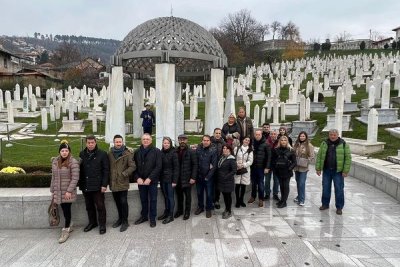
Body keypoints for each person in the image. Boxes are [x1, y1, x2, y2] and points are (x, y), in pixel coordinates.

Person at [315, 129, 351, 215]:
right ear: (329, 135)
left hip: (338, 171)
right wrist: (318, 168)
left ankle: (339, 207)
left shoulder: (343, 144)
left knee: (339, 189)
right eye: (331, 134)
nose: (332, 136)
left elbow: (348, 158)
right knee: (326, 188)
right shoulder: (324, 143)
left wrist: (345, 171)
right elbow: (319, 156)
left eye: (334, 135)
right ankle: (325, 204)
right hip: (327, 170)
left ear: (338, 135)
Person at [79, 135, 110, 235]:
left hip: (98, 185)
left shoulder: (102, 154)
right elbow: (80, 170)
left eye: (92, 143)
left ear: (95, 142)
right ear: (86, 143)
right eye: (89, 143)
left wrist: (104, 184)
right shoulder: (82, 154)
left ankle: (102, 225)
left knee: (100, 206)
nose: (91, 144)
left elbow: (106, 171)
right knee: (89, 206)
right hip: (86, 185)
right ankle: (92, 223)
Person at [50, 140, 79, 243]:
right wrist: (52, 189)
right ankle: (69, 225)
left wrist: (69, 191)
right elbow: (53, 177)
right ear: (59, 152)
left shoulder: (73, 162)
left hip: (67, 192)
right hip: (58, 191)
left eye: (66, 150)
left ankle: (66, 230)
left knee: (67, 210)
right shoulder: (55, 161)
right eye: (62, 150)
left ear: (69, 151)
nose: (64, 152)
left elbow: (75, 178)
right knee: (63, 209)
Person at [108, 134, 136, 232]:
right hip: (113, 182)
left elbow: (132, 166)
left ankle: (125, 221)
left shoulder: (127, 153)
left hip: (123, 181)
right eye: (117, 142)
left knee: (123, 202)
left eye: (120, 142)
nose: (118, 143)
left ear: (122, 142)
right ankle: (120, 219)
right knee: (117, 202)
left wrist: (124, 174)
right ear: (114, 142)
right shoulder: (110, 153)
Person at [133, 133, 162, 227]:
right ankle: (144, 216)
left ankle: (152, 218)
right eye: (144, 139)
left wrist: (150, 178)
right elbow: (134, 167)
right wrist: (137, 178)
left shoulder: (156, 151)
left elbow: (158, 166)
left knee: (153, 200)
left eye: (147, 139)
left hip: (152, 181)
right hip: (141, 181)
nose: (145, 140)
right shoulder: (137, 151)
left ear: (151, 140)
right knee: (143, 199)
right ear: (141, 140)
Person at [175, 134, 197, 220]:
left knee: (188, 197)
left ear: (187, 140)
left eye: (184, 139)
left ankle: (187, 212)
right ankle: (180, 210)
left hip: (188, 179)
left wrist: (193, 177)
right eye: (180, 140)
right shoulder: (175, 151)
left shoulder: (191, 152)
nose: (182, 141)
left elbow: (195, 165)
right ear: (178, 141)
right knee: (179, 196)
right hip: (178, 178)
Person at [196, 135, 218, 218]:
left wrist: (208, 177)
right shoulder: (198, 148)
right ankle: (200, 207)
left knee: (209, 194)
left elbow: (214, 165)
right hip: (199, 176)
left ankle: (208, 209)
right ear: (202, 141)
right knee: (199, 193)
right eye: (204, 140)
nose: (205, 142)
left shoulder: (213, 150)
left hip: (208, 177)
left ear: (210, 141)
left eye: (207, 140)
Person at [248, 129, 271, 207]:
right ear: (254, 135)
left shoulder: (266, 144)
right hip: (253, 167)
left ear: (261, 135)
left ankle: (261, 199)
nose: (257, 136)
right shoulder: (252, 143)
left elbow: (269, 157)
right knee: (253, 183)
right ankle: (253, 196)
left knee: (261, 184)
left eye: (259, 134)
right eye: (256, 134)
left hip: (261, 167)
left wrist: (267, 167)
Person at [272, 136, 297, 208]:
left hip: (287, 172)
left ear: (287, 142)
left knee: (285, 186)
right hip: (279, 171)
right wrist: (275, 169)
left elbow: (294, 162)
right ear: (280, 141)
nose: (283, 141)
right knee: (281, 186)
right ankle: (282, 200)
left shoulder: (291, 150)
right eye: (282, 140)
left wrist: (289, 168)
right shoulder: (276, 150)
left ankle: (284, 201)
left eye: (285, 140)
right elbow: (273, 160)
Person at [159, 137, 179, 224]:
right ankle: (166, 212)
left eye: (167, 143)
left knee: (170, 197)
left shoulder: (174, 153)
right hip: (163, 179)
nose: (166, 144)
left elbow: (176, 168)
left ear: (170, 144)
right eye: (164, 143)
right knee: (166, 196)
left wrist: (175, 181)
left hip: (171, 179)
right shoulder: (161, 152)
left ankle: (171, 215)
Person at [293, 131, 315, 206]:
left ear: (306, 137)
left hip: (304, 168)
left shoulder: (309, 145)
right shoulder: (296, 144)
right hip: (296, 167)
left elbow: (312, 157)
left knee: (302, 183)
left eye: (303, 136)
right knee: (298, 182)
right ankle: (299, 196)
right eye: (300, 136)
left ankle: (302, 200)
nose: (302, 137)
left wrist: (305, 161)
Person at [217, 144, 237, 219]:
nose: (225, 149)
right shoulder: (222, 157)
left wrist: (226, 177)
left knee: (228, 197)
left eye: (227, 148)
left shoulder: (231, 159)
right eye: (224, 148)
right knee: (225, 196)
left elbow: (234, 171)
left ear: (230, 150)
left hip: (228, 181)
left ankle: (229, 211)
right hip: (221, 181)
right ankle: (226, 209)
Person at [234, 136, 253, 208]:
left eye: (248, 140)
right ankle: (237, 201)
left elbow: (250, 161)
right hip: (238, 168)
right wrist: (237, 164)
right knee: (237, 185)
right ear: (243, 140)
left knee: (243, 186)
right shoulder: (237, 148)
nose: (247, 141)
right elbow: (234, 158)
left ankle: (241, 200)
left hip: (245, 170)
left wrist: (244, 165)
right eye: (246, 139)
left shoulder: (250, 150)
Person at [210, 128, 226, 210]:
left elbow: (226, 154)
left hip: (219, 168)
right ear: (213, 133)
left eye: (219, 133)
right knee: (210, 185)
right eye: (216, 133)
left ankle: (216, 200)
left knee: (217, 186)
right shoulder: (209, 141)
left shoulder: (223, 143)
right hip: (210, 167)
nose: (218, 134)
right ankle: (210, 201)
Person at [265, 130, 280, 201]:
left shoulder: (279, 143)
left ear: (277, 135)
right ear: (270, 135)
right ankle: (267, 193)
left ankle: (275, 194)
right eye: (272, 134)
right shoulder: (266, 142)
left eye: (274, 134)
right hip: (268, 165)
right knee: (267, 180)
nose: (273, 135)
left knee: (276, 180)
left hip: (277, 165)